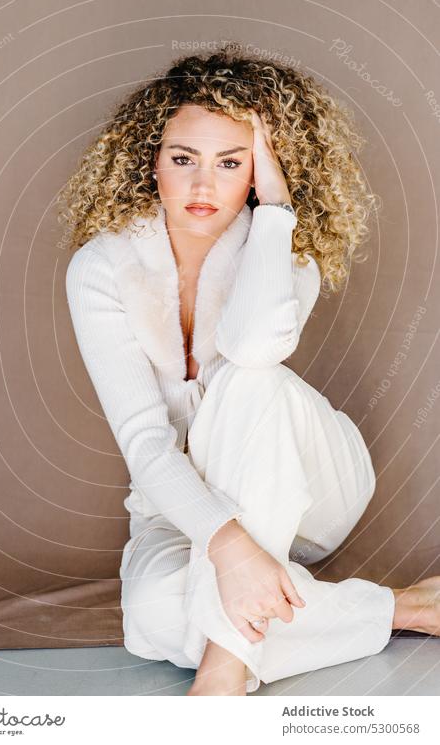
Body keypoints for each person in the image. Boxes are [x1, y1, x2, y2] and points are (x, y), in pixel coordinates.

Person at [59, 47, 440, 696]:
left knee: (251, 376)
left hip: (308, 485)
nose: (203, 187)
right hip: (179, 506)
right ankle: (397, 606)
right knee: (152, 619)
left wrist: (275, 212)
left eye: (231, 163)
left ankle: (223, 671)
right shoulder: (100, 268)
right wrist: (230, 548)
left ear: (260, 173)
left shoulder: (284, 258)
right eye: (184, 159)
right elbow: (145, 441)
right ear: (150, 160)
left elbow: (254, 352)